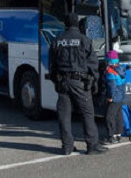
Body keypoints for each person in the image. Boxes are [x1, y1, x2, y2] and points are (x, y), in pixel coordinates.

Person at [49, 13, 107, 155]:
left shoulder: (57, 40)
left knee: (64, 114)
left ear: (65, 24)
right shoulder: (84, 40)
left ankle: (67, 146)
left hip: (63, 82)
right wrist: (94, 81)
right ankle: (92, 145)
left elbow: (52, 64)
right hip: (80, 82)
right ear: (78, 24)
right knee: (87, 113)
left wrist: (56, 80)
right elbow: (93, 63)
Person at [103, 50, 126, 145]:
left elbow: (111, 86)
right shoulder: (121, 69)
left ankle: (111, 136)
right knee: (118, 115)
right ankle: (118, 134)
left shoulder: (110, 71)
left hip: (114, 97)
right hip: (120, 96)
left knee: (109, 117)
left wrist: (109, 96)